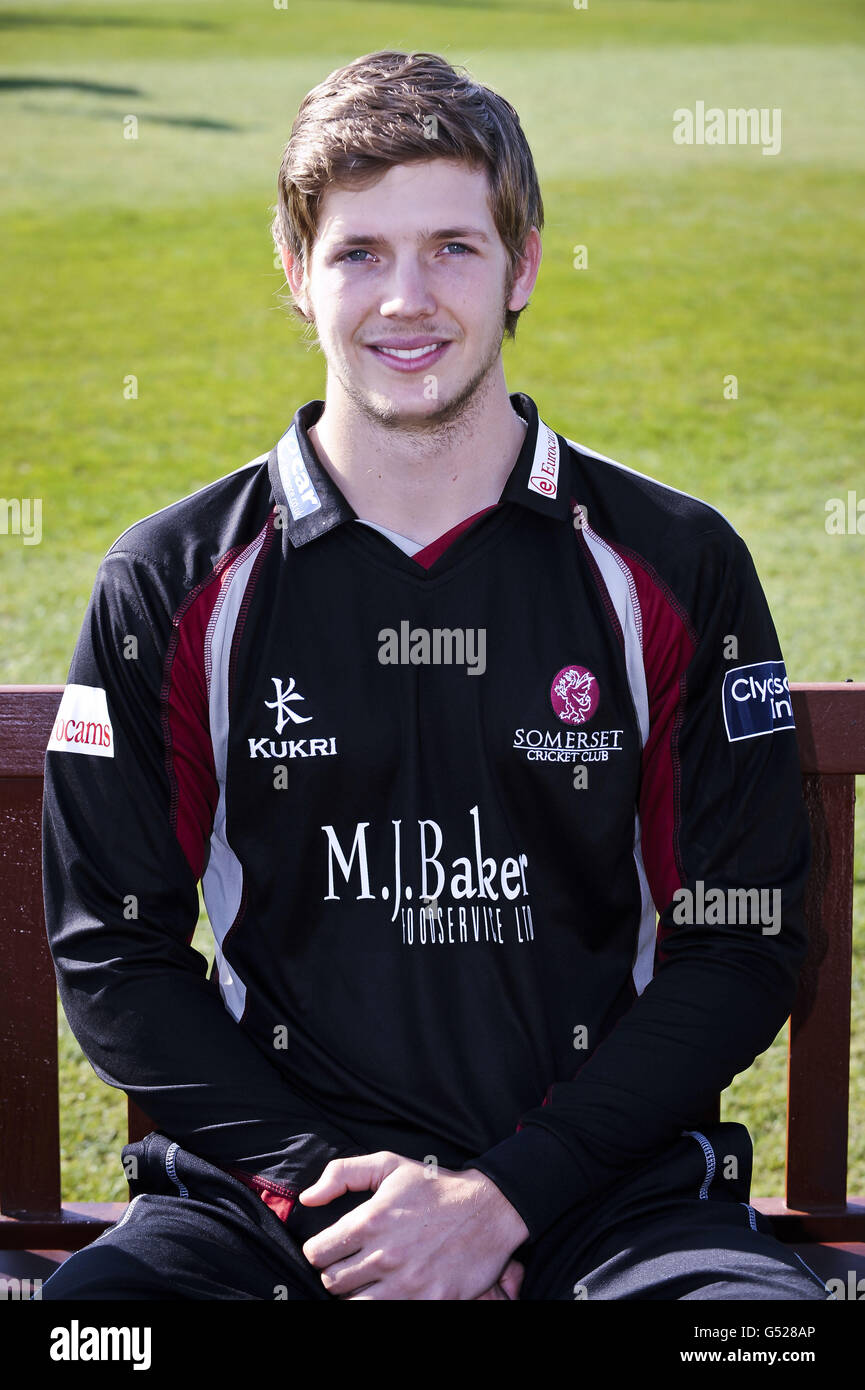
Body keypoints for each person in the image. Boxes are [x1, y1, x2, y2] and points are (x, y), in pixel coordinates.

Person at [40, 48, 828, 1301]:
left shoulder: (672, 562)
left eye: (453, 248)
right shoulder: (173, 580)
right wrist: (351, 1193)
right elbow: (114, 955)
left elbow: (739, 944)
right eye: (360, 252)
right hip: (269, 1204)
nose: (407, 299)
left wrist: (509, 1195)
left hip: (604, 1195)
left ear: (522, 267)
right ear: (298, 276)